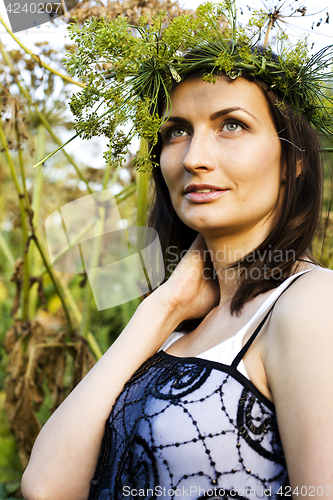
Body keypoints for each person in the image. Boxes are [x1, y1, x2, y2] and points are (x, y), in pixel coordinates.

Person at [21, 3, 333, 500]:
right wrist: (161, 308)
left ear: (292, 160)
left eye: (231, 124)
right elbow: (46, 487)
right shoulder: (177, 322)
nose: (194, 158)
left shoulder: (311, 303)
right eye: (176, 131)